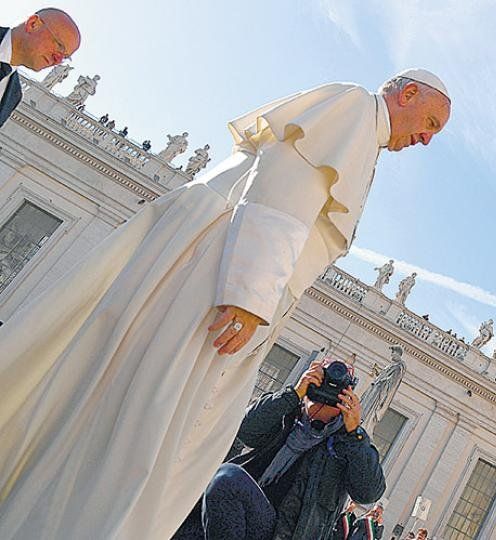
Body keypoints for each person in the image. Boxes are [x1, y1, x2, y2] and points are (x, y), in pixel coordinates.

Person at [0, 68, 450, 540]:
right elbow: (284, 185)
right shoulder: (355, 107)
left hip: (237, 274)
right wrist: (250, 292)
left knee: (149, 415)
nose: (426, 139)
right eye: (431, 124)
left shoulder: (362, 131)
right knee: (150, 418)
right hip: (225, 277)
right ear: (409, 93)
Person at [174, 358, 385, 540]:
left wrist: (355, 434)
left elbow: (368, 493)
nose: (326, 392)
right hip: (238, 513)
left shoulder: (347, 443)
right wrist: (294, 394)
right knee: (182, 525)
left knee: (227, 477)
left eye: (337, 389)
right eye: (321, 380)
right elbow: (245, 431)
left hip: (284, 533)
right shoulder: (287, 413)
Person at [1, 8, 80, 128]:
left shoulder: (13, 95)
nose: (58, 60)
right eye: (59, 46)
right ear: (33, 24)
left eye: (64, 57)